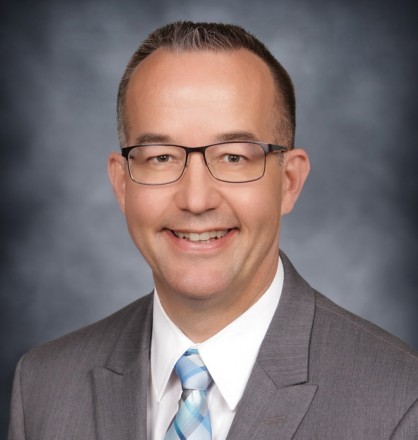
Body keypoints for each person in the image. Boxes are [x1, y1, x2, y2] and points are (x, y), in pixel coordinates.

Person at [8, 21, 418, 440]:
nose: (196, 199)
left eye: (234, 157)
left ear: (289, 182)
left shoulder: (400, 400)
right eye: (161, 157)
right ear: (122, 184)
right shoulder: (43, 386)